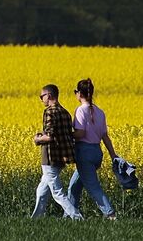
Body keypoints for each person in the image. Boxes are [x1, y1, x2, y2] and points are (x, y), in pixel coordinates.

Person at [67, 78, 119, 219]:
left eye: (76, 92)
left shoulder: (80, 110)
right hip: (97, 152)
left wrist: (65, 135)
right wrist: (113, 155)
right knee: (74, 187)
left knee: (93, 187)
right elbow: (105, 136)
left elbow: (80, 133)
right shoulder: (100, 112)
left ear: (79, 93)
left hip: (84, 153)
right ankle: (69, 216)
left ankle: (111, 215)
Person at [31, 84, 84, 220]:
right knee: (42, 189)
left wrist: (37, 139)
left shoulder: (50, 112)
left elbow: (49, 135)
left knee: (56, 192)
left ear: (49, 95)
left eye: (41, 96)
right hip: (62, 156)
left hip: (50, 156)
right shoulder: (65, 112)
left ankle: (77, 217)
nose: (41, 99)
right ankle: (36, 218)